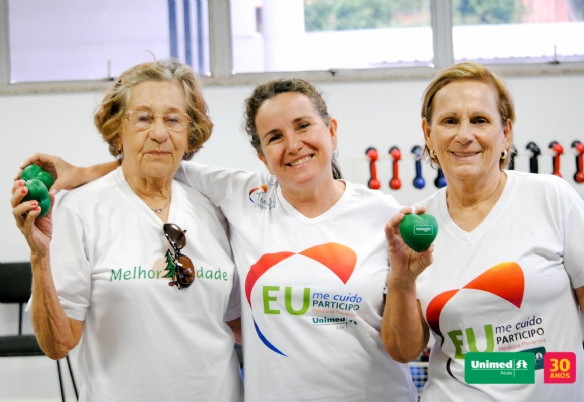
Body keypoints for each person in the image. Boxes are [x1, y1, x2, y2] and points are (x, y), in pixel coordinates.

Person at [21, 78, 419, 402]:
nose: (293, 144)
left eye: (303, 125)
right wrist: (81, 175)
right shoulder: (243, 195)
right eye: (274, 136)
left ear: (331, 130)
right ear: (262, 157)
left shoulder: (383, 214)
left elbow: (407, 341)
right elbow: (155, 161)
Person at [11, 59, 243, 402]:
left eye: (173, 119)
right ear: (117, 131)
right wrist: (39, 255)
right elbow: (58, 345)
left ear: (189, 134)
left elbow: (238, 323)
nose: (160, 133)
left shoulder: (214, 210)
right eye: (144, 118)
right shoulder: (81, 209)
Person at [381, 61, 584, 401]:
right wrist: (402, 280)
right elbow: (403, 350)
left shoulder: (551, 197)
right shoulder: (418, 227)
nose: (464, 135)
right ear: (428, 133)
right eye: (449, 121)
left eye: (479, 120)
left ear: (506, 132)